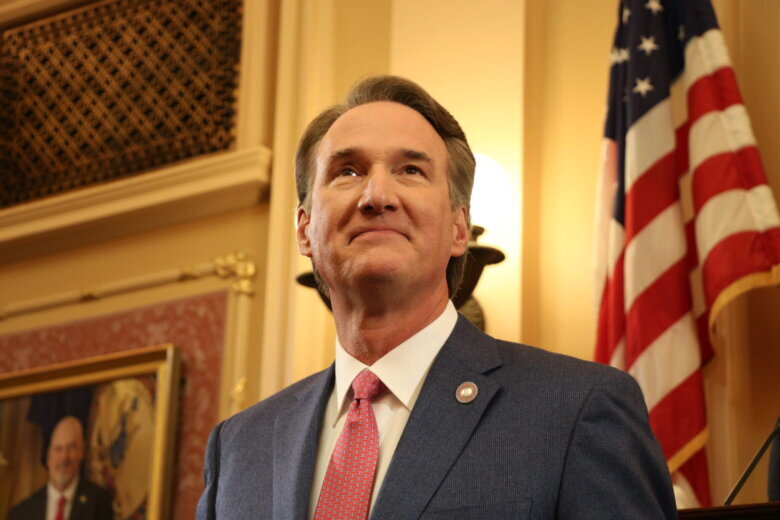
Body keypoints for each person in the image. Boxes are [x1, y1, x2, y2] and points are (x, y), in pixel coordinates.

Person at [196, 76, 677, 519]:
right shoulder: (239, 447)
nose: (376, 195)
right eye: (347, 171)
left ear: (458, 228)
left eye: (409, 170)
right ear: (304, 229)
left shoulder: (576, 409)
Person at [8, 415, 114, 520]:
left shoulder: (100, 503)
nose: (64, 457)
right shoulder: (22, 512)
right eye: (58, 449)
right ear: (48, 457)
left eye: (71, 447)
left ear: (82, 452)